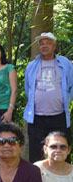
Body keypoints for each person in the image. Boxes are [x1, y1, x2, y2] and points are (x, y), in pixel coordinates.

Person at [24, 32, 73, 163]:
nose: (44, 46)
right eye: (42, 43)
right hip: (36, 118)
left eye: (48, 43)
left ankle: (64, 180)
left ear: (54, 46)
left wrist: (65, 101)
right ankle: (37, 181)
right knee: (36, 153)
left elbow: (71, 86)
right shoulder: (32, 66)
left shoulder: (65, 63)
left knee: (62, 151)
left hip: (59, 116)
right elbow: (28, 88)